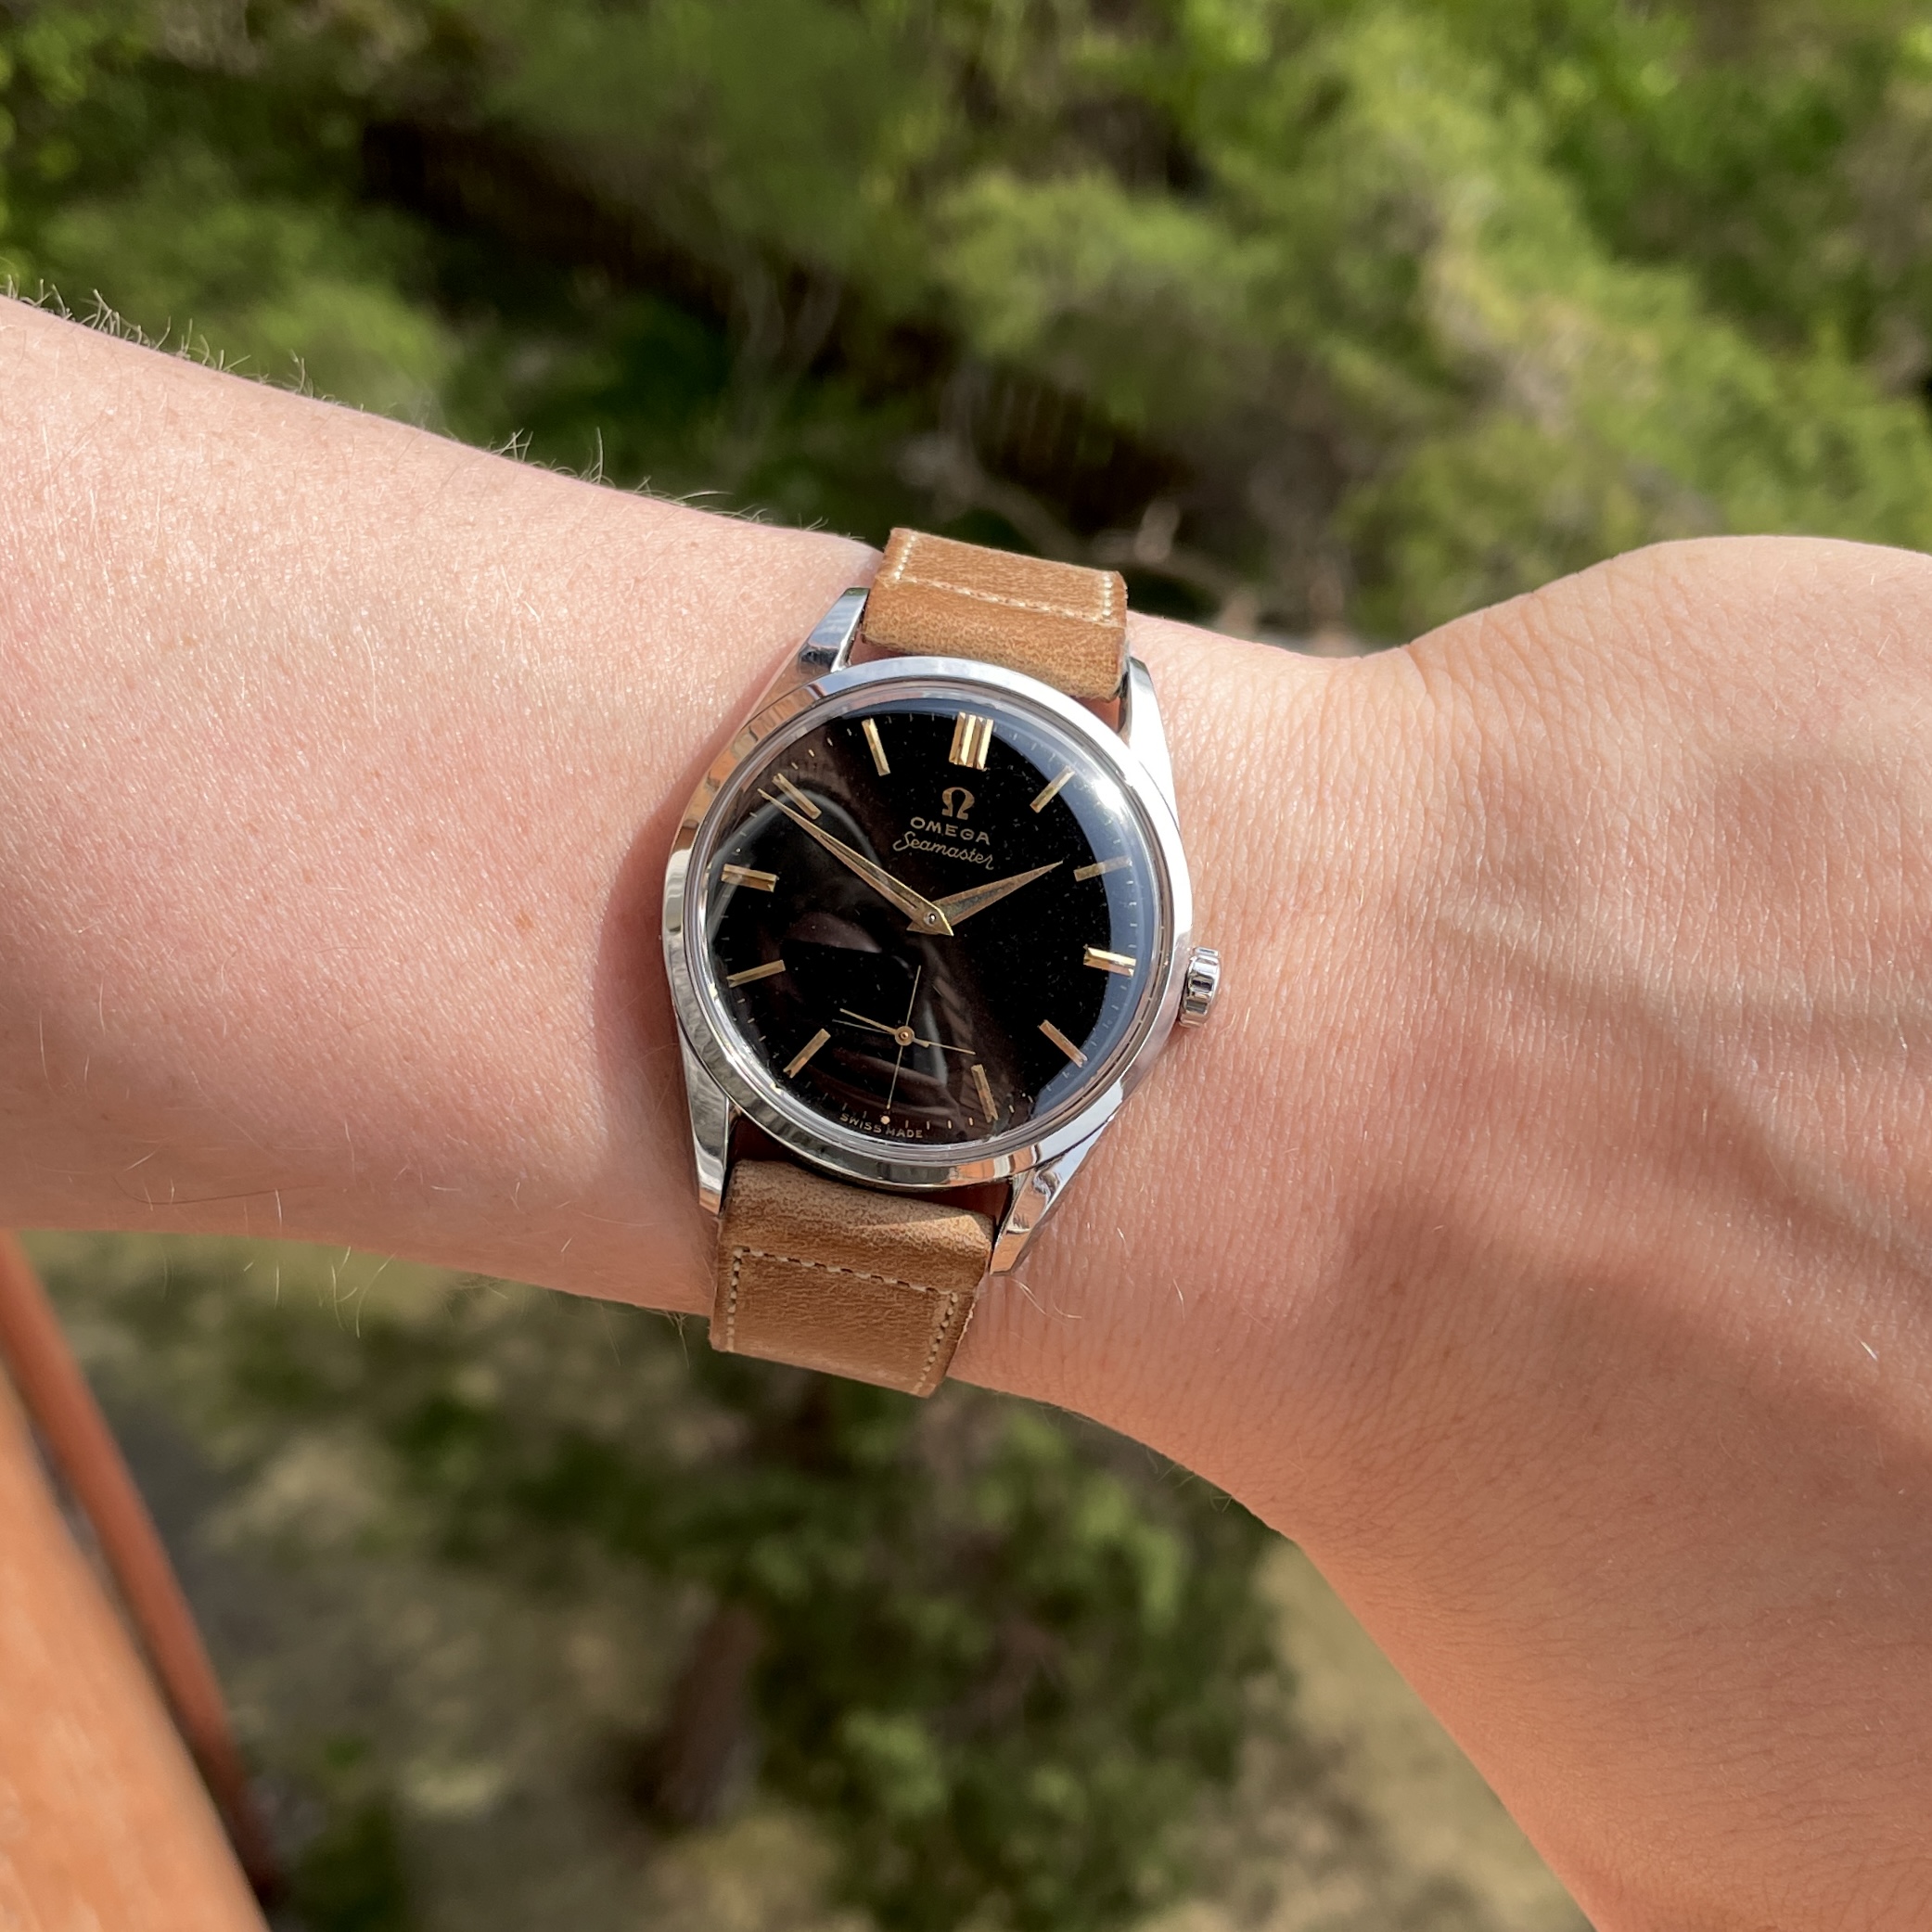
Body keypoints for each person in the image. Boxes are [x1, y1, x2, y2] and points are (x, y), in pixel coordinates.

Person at [2, 295, 1927, 1929]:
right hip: (823, 1010)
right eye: (914, 898)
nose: (932, 917)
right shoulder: (807, 832)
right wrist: (1359, 1142)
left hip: (887, 1084)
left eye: (982, 916)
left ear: (1171, 989)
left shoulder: (1087, 998)